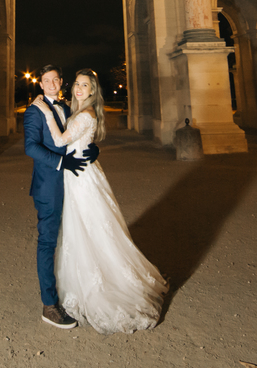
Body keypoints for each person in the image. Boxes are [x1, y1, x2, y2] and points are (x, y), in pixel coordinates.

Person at [35, 69, 167, 334]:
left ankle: (95, 289)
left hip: (80, 179)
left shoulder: (85, 114)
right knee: (85, 230)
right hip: (81, 175)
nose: (79, 89)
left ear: (93, 91)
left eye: (85, 85)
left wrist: (46, 113)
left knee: (86, 230)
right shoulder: (82, 111)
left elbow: (61, 139)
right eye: (77, 84)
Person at [24, 65, 99, 329]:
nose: (52, 83)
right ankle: (49, 305)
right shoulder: (34, 111)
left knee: (77, 237)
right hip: (49, 186)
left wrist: (94, 149)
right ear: (40, 84)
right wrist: (60, 163)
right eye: (47, 80)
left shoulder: (68, 108)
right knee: (47, 242)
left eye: (56, 79)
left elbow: (78, 134)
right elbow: (30, 146)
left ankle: (77, 292)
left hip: (74, 184)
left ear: (61, 82)